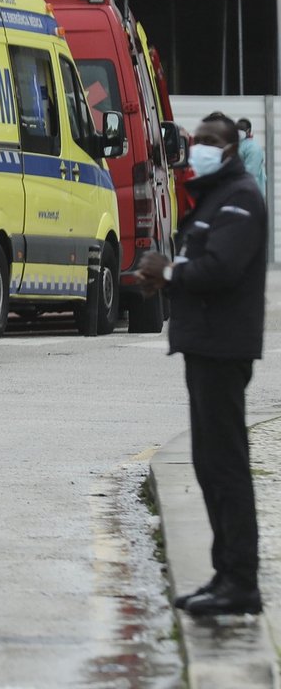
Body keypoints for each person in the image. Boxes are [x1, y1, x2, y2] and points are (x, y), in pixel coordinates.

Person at [138, 112, 266, 616]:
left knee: (226, 466)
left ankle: (241, 581)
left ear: (232, 148)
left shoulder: (241, 198)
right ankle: (224, 573)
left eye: (214, 141)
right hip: (205, 346)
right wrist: (167, 278)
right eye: (199, 140)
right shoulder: (216, 195)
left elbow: (221, 268)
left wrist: (169, 271)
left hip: (223, 348)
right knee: (210, 465)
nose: (202, 148)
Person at [235, 118, 267, 198]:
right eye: (237, 129)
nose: (239, 132)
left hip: (250, 191)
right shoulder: (238, 145)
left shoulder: (253, 148)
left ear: (248, 131)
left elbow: (251, 172)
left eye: (241, 129)